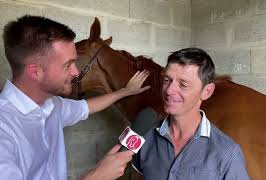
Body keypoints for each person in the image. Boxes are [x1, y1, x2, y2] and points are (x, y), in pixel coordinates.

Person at [0, 15, 150, 180]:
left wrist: (124, 92)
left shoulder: (53, 105)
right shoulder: (4, 130)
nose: (76, 72)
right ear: (35, 72)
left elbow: (87, 106)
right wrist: (96, 176)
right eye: (67, 65)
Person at [132, 48, 250, 180]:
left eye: (183, 84)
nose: (169, 90)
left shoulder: (228, 153)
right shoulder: (145, 136)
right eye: (167, 80)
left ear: (207, 91)